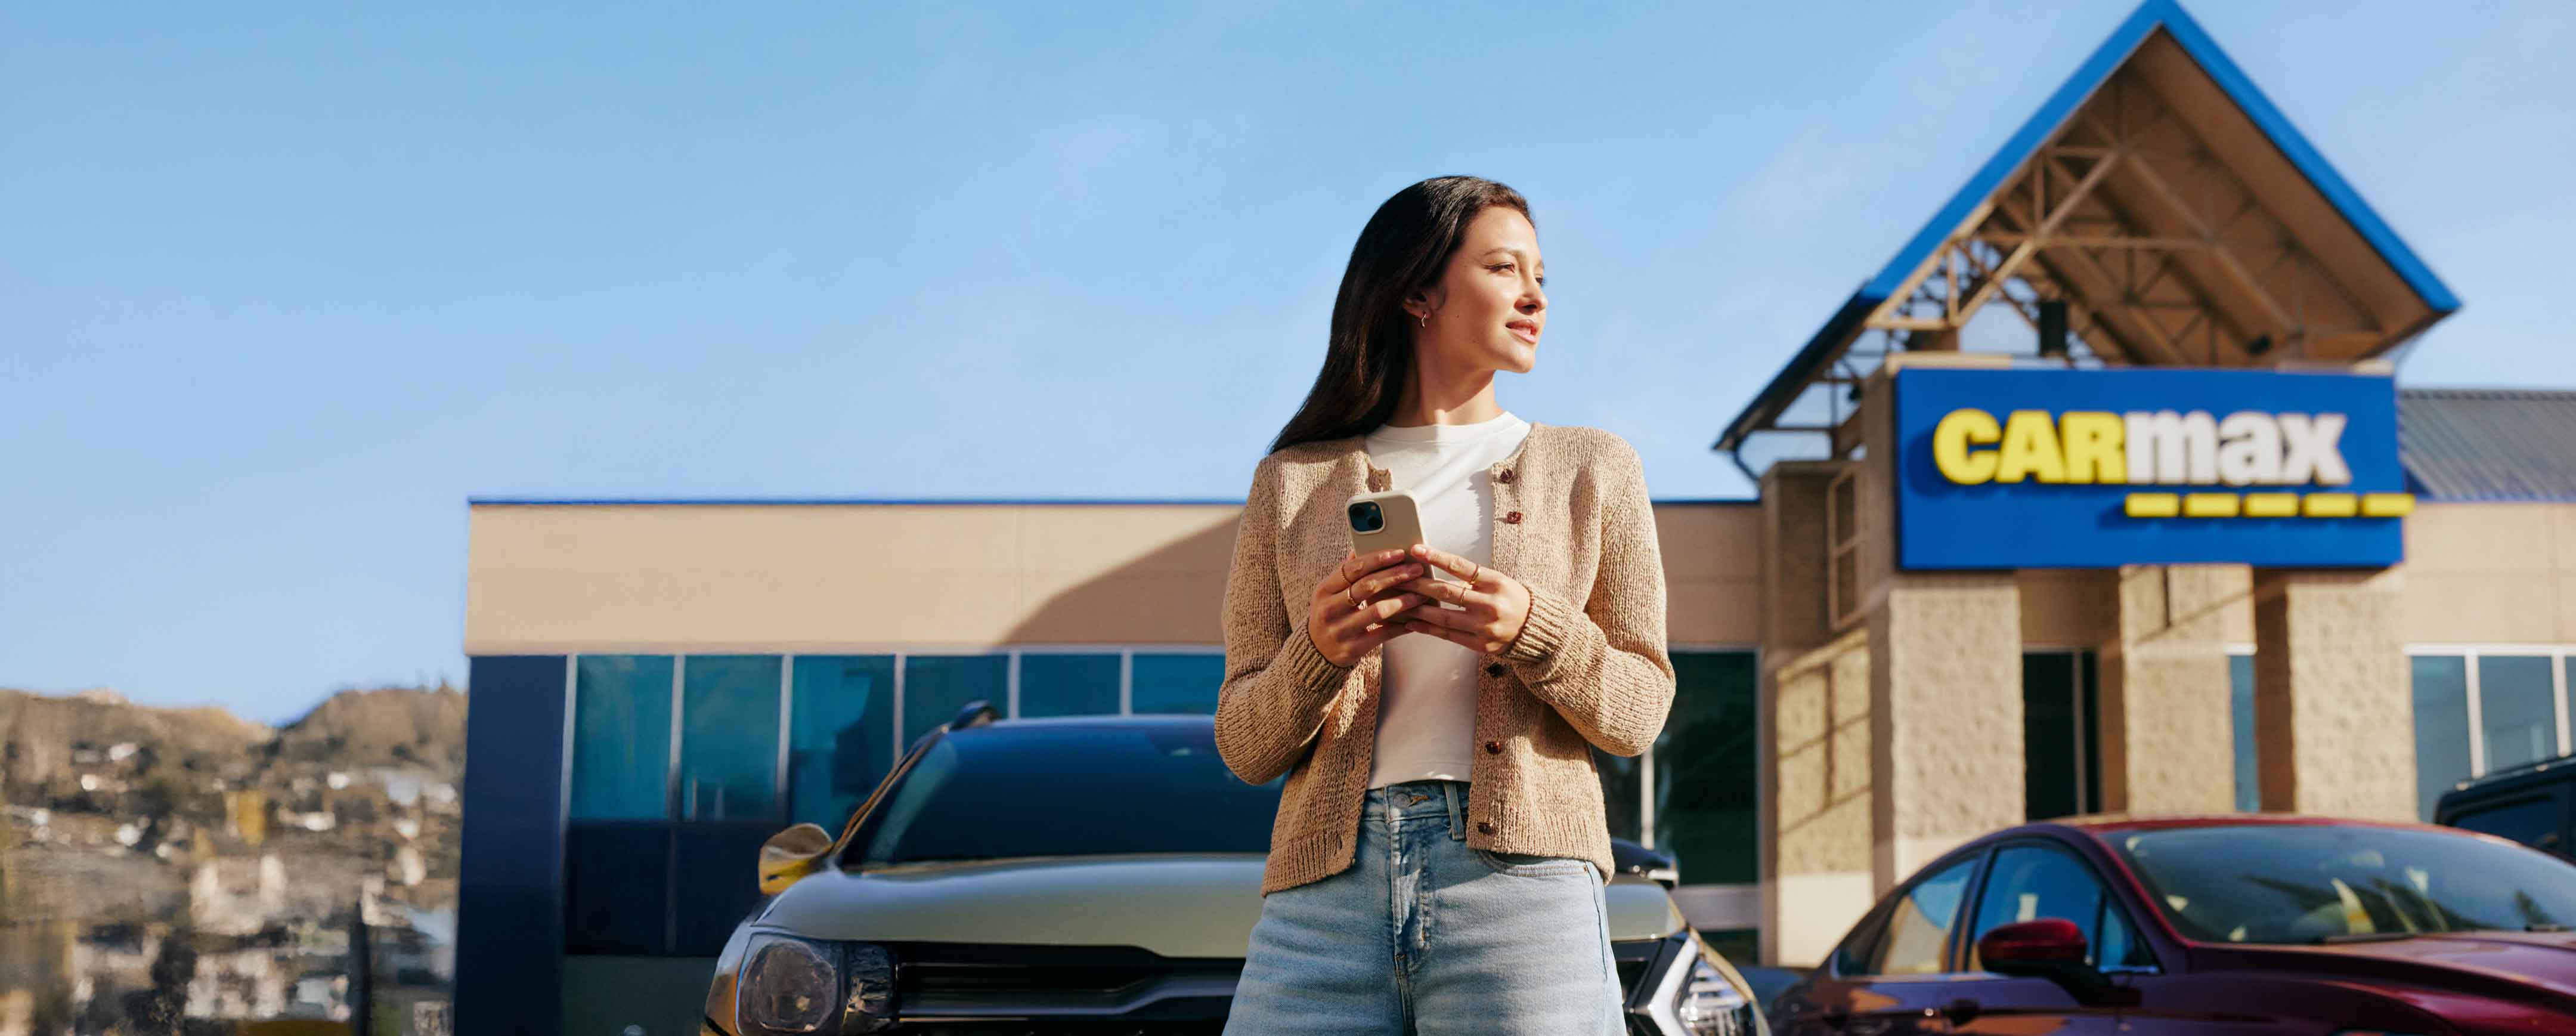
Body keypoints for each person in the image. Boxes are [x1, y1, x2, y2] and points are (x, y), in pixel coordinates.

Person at [1213, 175, 1677, 1035]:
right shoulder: (1294, 481)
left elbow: (1641, 708)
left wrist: (1532, 630)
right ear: (1419, 290)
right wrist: (1320, 649)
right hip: (1322, 900)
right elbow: (1244, 742)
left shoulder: (1595, 467)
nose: (1535, 294)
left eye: (1541, 275)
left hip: (1525, 892)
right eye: (1505, 268)